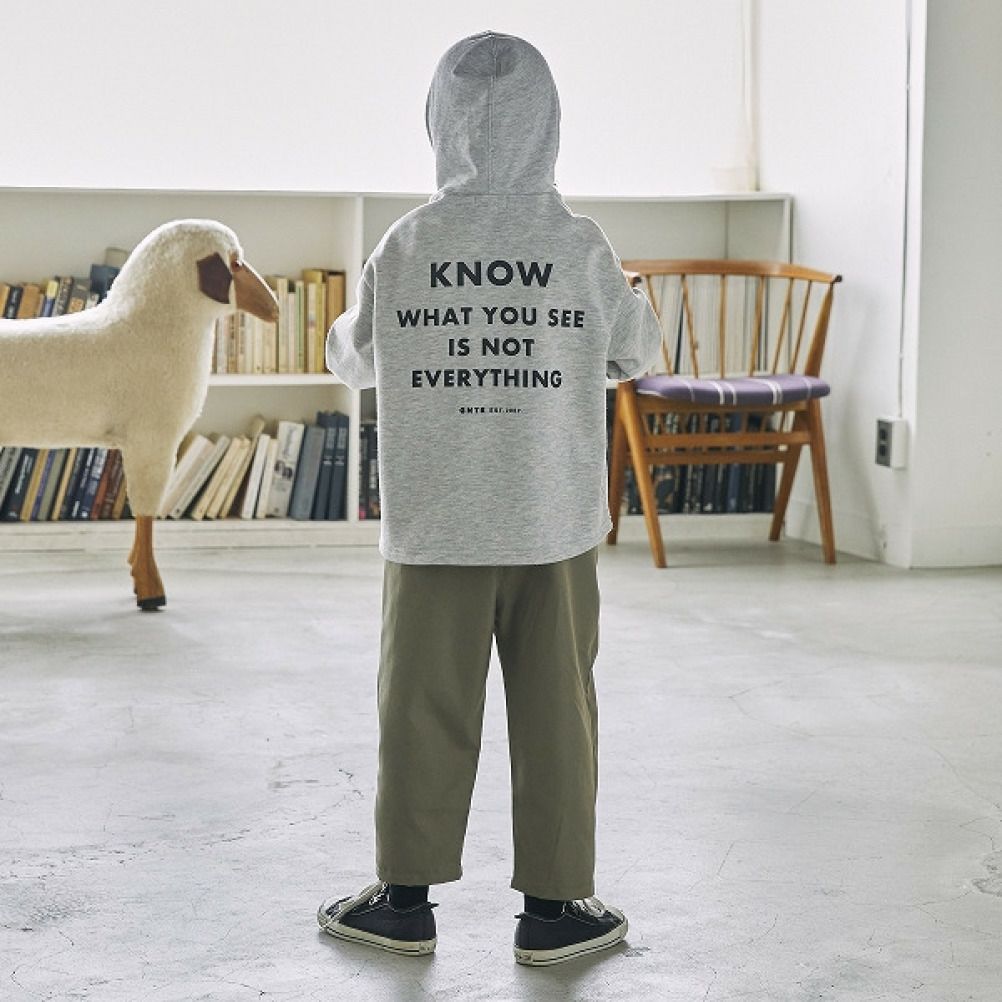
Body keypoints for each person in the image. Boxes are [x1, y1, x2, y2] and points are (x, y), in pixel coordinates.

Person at [317, 29, 662, 966]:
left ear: (438, 124)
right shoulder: (580, 245)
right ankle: (554, 909)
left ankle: (402, 902)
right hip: (553, 522)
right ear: (549, 125)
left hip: (435, 527)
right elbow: (639, 352)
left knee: (421, 706)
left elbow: (353, 359)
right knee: (558, 711)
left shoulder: (407, 243)